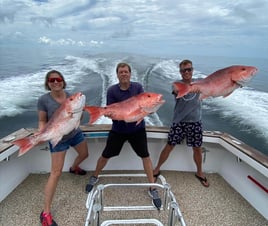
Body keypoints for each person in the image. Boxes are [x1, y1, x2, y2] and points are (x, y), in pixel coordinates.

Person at [85, 62, 162, 209]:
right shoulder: (112, 91)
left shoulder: (138, 88)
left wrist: (149, 110)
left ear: (130, 73)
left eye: (126, 71)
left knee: (145, 156)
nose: (124, 74)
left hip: (137, 130)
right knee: (106, 155)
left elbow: (145, 107)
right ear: (117, 74)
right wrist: (108, 114)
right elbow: (112, 113)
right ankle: (94, 176)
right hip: (118, 130)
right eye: (121, 72)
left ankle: (152, 187)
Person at [38, 70, 89, 226]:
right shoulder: (43, 100)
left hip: (75, 134)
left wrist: (79, 112)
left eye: (58, 79)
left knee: (85, 154)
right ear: (48, 83)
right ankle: (45, 213)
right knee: (56, 173)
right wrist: (41, 134)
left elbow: (78, 118)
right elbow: (42, 121)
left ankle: (74, 168)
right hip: (57, 138)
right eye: (51, 80)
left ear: (63, 81)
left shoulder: (70, 96)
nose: (55, 82)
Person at [153, 59, 209, 187]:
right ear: (180, 72)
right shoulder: (176, 84)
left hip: (195, 122)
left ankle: (200, 172)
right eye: (184, 70)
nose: (187, 72)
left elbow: (213, 86)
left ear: (192, 70)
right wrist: (190, 89)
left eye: (189, 69)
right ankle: (157, 168)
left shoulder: (200, 83)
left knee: (197, 149)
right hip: (179, 122)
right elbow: (176, 91)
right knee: (169, 146)